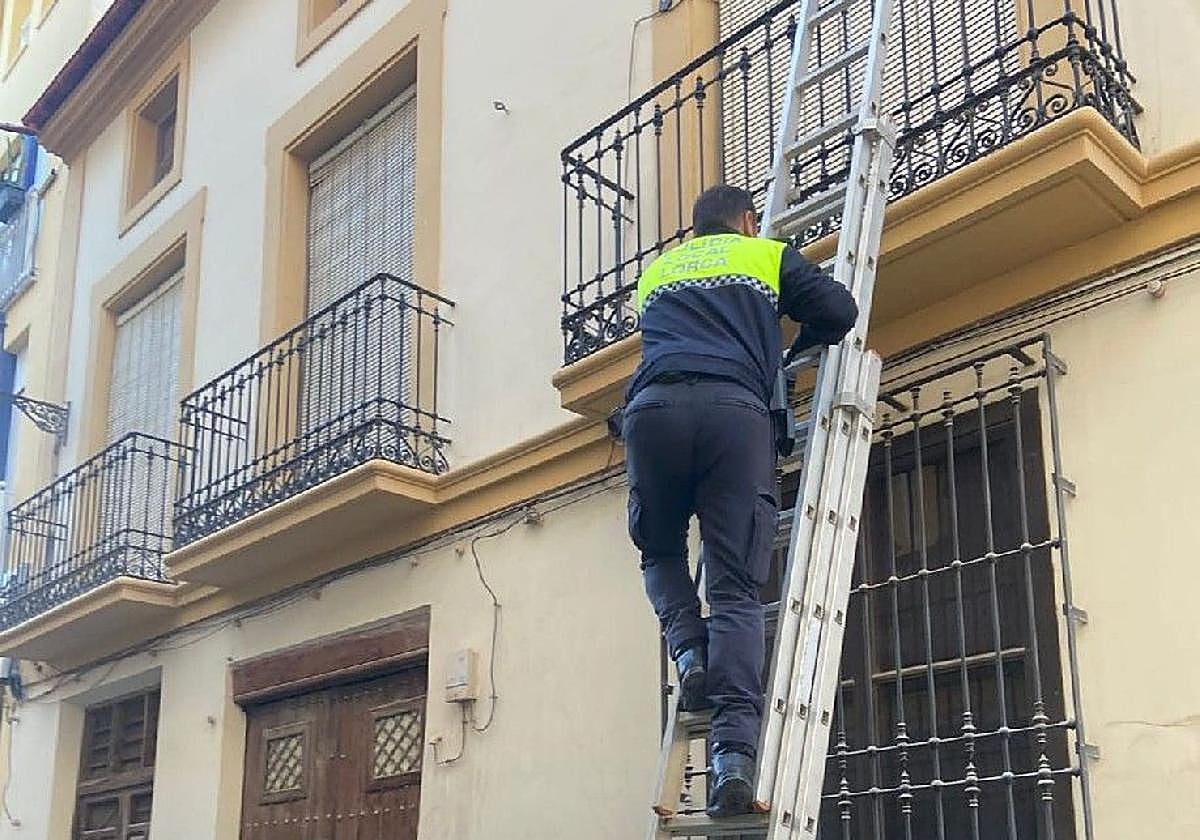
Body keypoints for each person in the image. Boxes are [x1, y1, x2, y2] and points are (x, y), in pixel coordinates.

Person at [622, 184, 858, 817]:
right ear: (749, 221)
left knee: (659, 551)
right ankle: (732, 760)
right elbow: (839, 310)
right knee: (734, 590)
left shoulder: (658, 273)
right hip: (734, 415)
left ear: (696, 229)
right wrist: (791, 349)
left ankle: (688, 651)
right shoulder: (766, 255)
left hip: (652, 413)